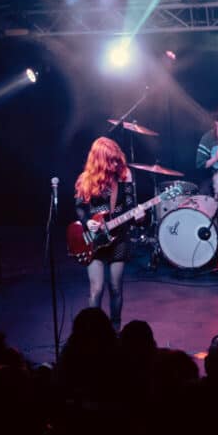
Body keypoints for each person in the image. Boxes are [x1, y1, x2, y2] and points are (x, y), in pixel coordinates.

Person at [74, 137, 144, 331]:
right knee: (96, 289)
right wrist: (87, 221)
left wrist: (138, 217)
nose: (115, 164)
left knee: (115, 288)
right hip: (94, 240)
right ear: (100, 160)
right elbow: (80, 207)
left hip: (119, 238)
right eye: (111, 161)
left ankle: (115, 331)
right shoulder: (86, 178)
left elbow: (130, 206)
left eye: (116, 160)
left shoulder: (124, 175)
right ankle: (92, 331)